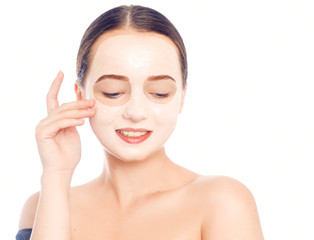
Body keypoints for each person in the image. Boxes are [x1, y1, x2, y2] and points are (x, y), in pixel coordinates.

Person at [17, 5, 263, 240]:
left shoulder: (222, 201)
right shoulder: (45, 204)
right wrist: (57, 174)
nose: (135, 112)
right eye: (113, 92)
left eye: (159, 93)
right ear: (81, 96)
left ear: (182, 97)